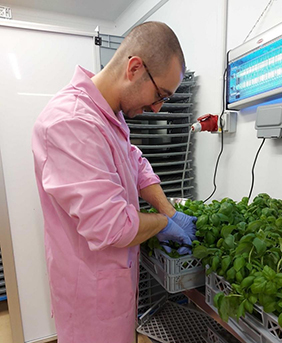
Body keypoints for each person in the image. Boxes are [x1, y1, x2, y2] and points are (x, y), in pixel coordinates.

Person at [32, 21, 196, 343]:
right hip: (90, 305)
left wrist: (169, 209)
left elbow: (134, 162)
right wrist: (164, 222)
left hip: (113, 289)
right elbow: (113, 226)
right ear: (134, 68)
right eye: (160, 94)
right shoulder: (72, 123)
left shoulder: (109, 115)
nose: (157, 108)